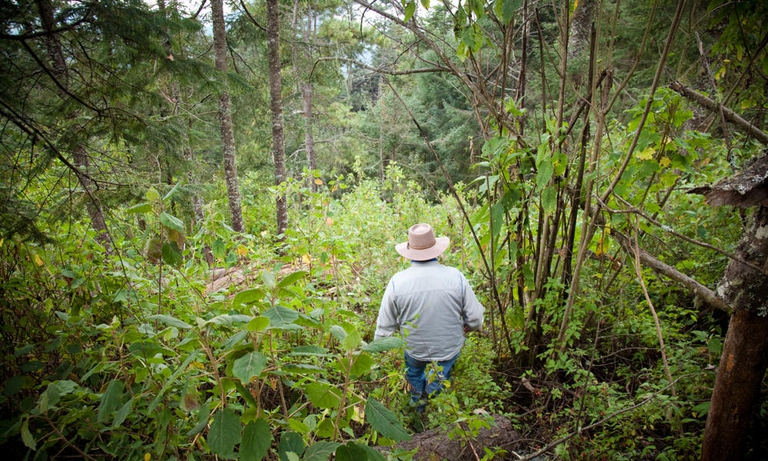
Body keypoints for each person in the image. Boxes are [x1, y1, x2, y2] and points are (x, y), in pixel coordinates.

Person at [374, 223, 485, 411]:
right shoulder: (455, 277)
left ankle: (417, 403)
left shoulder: (397, 282)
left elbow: (385, 325)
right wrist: (470, 325)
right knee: (441, 375)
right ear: (436, 250)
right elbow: (475, 317)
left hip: (414, 347)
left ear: (410, 252)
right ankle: (435, 400)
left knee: (414, 373)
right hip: (448, 346)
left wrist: (376, 348)